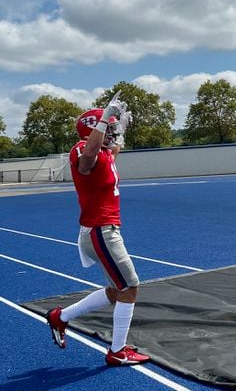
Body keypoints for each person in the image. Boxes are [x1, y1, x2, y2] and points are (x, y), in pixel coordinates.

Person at [46, 92, 150, 365]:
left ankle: (61, 317)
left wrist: (121, 130)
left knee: (117, 290)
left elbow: (111, 150)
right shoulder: (82, 149)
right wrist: (104, 118)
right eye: (108, 127)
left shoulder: (104, 152)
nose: (112, 131)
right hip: (100, 229)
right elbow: (88, 156)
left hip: (105, 228)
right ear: (94, 128)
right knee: (130, 286)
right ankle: (117, 351)